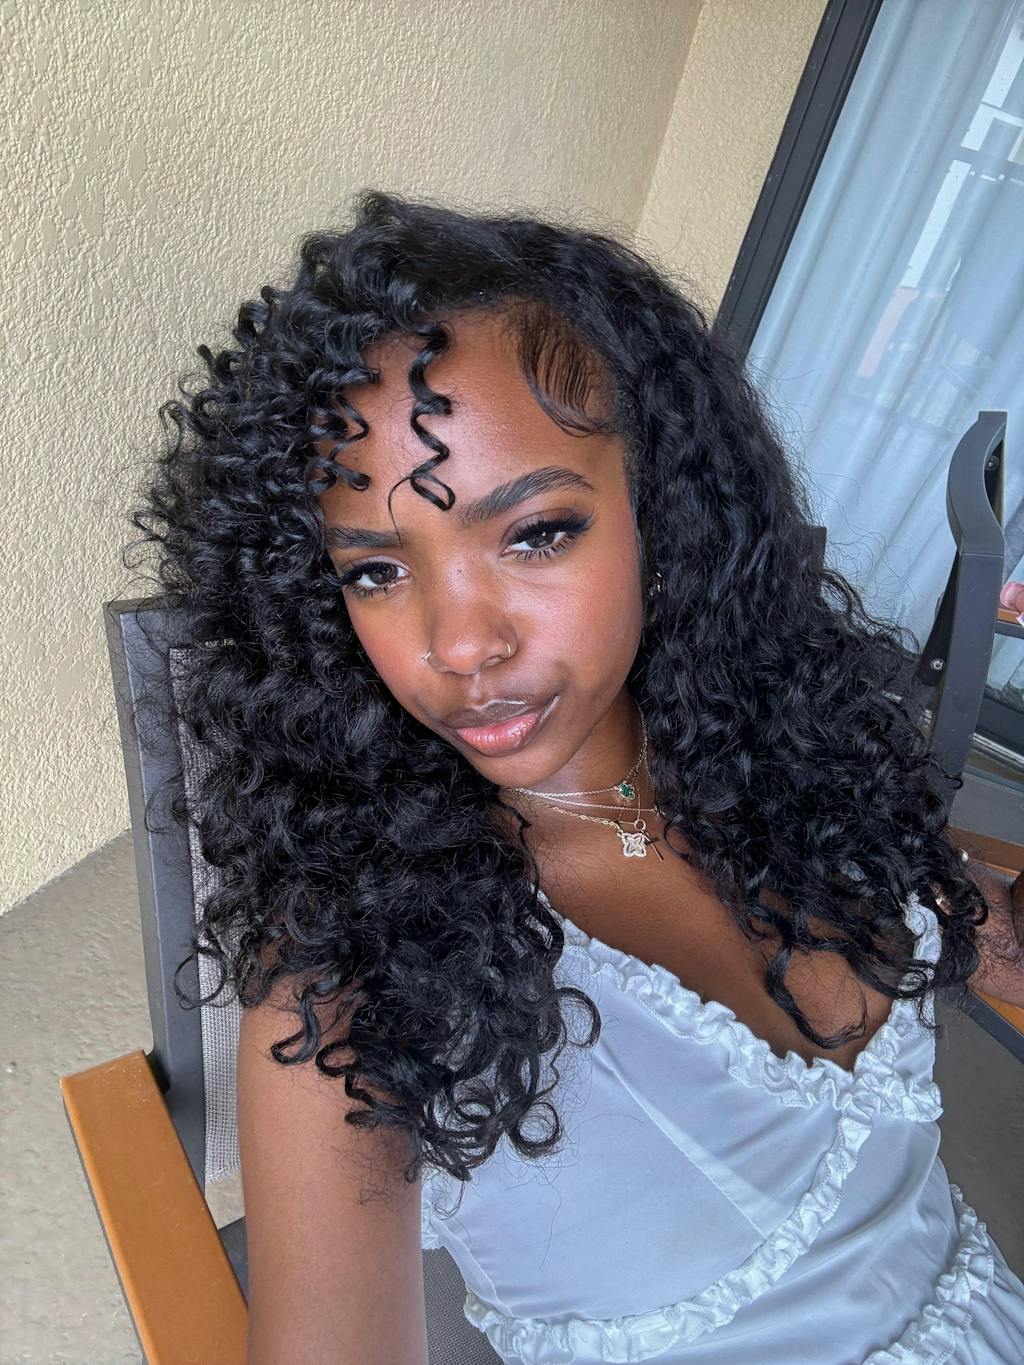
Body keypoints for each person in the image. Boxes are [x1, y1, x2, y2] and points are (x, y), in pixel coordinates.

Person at [128, 190, 1024, 1364]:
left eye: (536, 532)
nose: (461, 644)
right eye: (377, 572)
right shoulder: (353, 984)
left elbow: (986, 932)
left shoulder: (788, 750)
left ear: (662, 509)